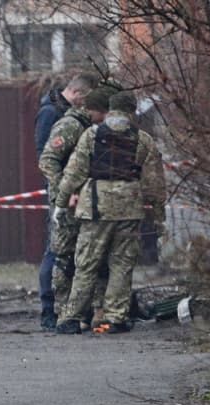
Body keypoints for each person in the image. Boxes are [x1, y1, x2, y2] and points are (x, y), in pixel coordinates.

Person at [54, 92, 166, 334]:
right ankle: (116, 317)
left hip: (96, 208)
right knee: (121, 265)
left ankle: (71, 318)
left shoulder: (91, 135)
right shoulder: (142, 139)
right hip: (129, 209)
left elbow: (74, 173)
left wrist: (61, 203)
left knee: (85, 264)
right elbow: (154, 182)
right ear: (132, 111)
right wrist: (159, 215)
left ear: (110, 109)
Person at [39, 86, 117, 327]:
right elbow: (47, 160)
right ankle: (61, 312)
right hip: (68, 202)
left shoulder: (92, 128)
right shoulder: (70, 125)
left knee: (90, 257)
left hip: (87, 201)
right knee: (62, 256)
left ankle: (89, 312)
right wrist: (65, 192)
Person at [35, 73, 98, 331]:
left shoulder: (65, 113)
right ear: (79, 94)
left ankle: (69, 309)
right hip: (62, 194)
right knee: (56, 251)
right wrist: (63, 190)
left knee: (69, 251)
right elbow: (45, 156)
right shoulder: (52, 114)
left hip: (72, 192)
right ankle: (49, 310)